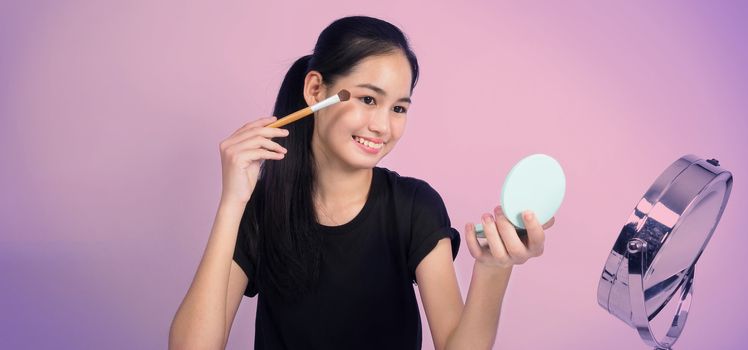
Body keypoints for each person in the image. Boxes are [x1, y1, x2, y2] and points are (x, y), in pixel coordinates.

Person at [169, 15, 555, 350]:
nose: (383, 126)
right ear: (315, 91)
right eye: (369, 100)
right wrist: (232, 203)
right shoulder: (261, 211)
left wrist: (493, 269)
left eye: (399, 108)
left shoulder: (414, 207)